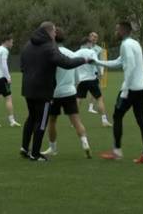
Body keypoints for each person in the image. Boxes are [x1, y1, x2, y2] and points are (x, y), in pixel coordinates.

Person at [20, 21, 91, 161]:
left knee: (31, 118)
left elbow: (22, 66)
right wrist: (84, 60)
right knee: (41, 122)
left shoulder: (28, 45)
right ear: (49, 32)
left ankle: (24, 147)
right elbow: (66, 63)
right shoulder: (49, 47)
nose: (55, 34)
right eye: (54, 32)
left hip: (28, 88)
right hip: (44, 91)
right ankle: (35, 154)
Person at [95, 22, 143, 164]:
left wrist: (125, 90)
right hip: (142, 88)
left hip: (131, 89)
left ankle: (117, 152)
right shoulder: (134, 43)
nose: (115, 32)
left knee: (117, 116)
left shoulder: (126, 45)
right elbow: (119, 62)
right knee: (141, 120)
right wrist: (97, 62)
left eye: (116, 29)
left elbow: (131, 65)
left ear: (122, 30)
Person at [41, 28, 92, 159]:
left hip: (55, 93)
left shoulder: (50, 54)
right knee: (76, 120)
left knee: (52, 121)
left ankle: (53, 148)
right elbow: (77, 78)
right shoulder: (72, 54)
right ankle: (85, 143)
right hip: (70, 92)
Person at [75, 38, 112, 127]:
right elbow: (96, 63)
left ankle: (74, 122)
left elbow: (73, 66)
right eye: (91, 43)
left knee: (78, 99)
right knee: (99, 98)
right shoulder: (91, 52)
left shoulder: (75, 53)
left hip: (81, 80)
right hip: (91, 79)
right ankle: (104, 120)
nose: (92, 45)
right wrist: (100, 73)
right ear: (87, 43)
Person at [0, 35, 20, 128]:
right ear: (7, 41)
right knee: (8, 99)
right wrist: (8, 77)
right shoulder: (4, 50)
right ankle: (12, 121)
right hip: (1, 78)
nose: (12, 44)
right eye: (11, 42)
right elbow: (4, 64)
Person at [86, 32, 104, 114]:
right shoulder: (83, 47)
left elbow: (100, 62)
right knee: (78, 92)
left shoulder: (99, 49)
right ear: (89, 37)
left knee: (96, 90)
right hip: (84, 72)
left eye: (96, 37)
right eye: (93, 36)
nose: (94, 38)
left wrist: (101, 72)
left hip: (95, 72)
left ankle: (90, 107)